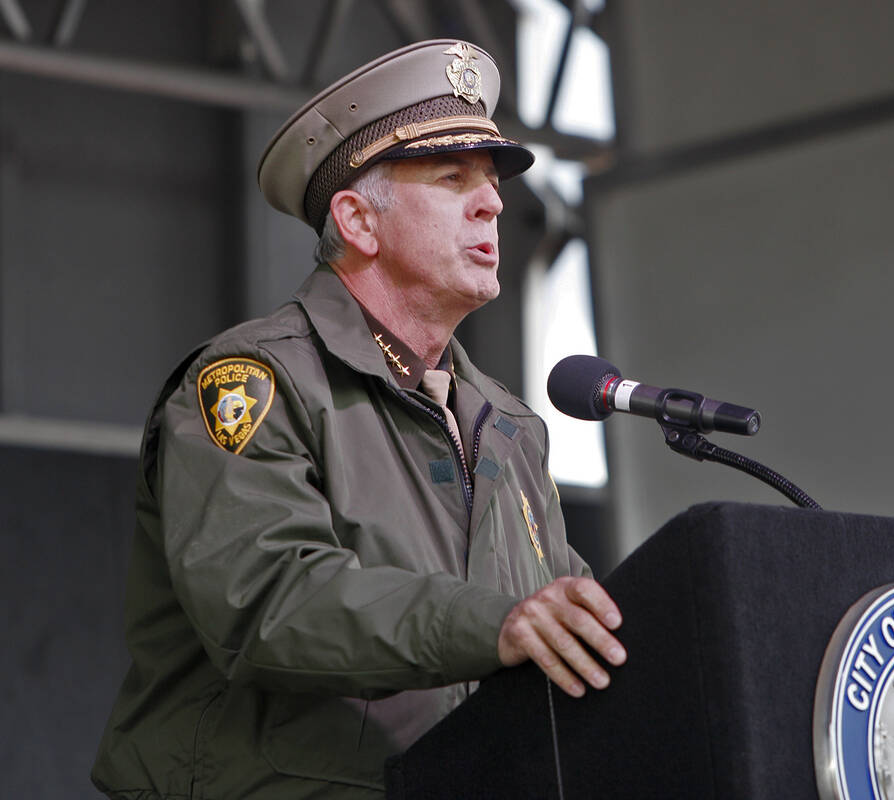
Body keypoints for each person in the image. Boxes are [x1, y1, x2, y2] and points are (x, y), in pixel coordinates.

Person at [92, 40, 625, 799]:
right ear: (358, 220)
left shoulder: (509, 425)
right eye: (453, 178)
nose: (494, 202)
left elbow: (569, 625)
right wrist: (494, 626)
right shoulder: (254, 381)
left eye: (492, 183)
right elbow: (267, 600)